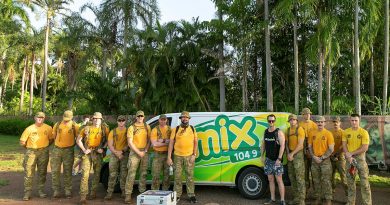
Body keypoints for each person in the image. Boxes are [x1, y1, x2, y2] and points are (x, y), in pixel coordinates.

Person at [77, 112, 109, 204]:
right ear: (92, 119)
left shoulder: (104, 128)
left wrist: (103, 148)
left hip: (98, 154)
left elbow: (107, 140)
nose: (96, 120)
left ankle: (93, 193)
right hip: (88, 153)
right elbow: (78, 140)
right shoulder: (86, 128)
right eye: (94, 118)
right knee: (85, 175)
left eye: (98, 118)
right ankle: (83, 196)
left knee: (97, 174)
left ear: (101, 119)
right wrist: (84, 149)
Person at [20, 112, 53, 200]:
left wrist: (44, 147)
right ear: (35, 118)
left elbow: (51, 139)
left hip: (44, 152)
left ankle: (41, 191)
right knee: (29, 172)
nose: (40, 119)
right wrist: (29, 148)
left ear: (44, 118)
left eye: (42, 117)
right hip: (31, 152)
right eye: (38, 117)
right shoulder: (29, 129)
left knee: (42, 172)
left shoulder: (48, 128)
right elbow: (22, 142)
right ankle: (27, 192)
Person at [167, 111, 198, 203]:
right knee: (177, 177)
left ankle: (191, 195)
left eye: (186, 117)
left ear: (189, 119)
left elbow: (196, 142)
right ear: (181, 119)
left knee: (190, 177)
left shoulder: (192, 129)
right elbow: (171, 144)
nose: (185, 118)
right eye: (183, 117)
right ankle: (177, 195)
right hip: (177, 157)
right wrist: (169, 157)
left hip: (189, 157)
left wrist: (194, 155)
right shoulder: (175, 129)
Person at [342, 114, 372, 205]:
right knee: (350, 183)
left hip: (360, 159)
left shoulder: (363, 132)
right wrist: (348, 155)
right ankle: (351, 202)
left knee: (365, 184)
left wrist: (351, 153)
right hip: (349, 160)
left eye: (356, 120)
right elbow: (344, 145)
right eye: (352, 120)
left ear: (359, 121)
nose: (354, 122)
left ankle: (367, 203)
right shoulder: (346, 132)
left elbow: (365, 148)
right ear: (350, 121)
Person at [51, 110, 80, 198]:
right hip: (57, 150)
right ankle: (56, 190)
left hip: (69, 150)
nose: (66, 120)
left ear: (72, 117)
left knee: (67, 171)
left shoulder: (75, 125)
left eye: (68, 119)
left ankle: (68, 190)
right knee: (55, 171)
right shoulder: (57, 124)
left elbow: (78, 138)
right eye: (65, 118)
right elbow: (54, 136)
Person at [124, 110, 151, 204]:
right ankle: (127, 195)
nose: (140, 117)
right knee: (131, 174)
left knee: (143, 174)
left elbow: (149, 140)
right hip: (134, 152)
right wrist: (139, 152)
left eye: (141, 116)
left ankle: (142, 193)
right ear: (136, 117)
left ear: (144, 117)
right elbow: (129, 143)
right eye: (138, 116)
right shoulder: (131, 127)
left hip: (144, 152)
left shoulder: (147, 127)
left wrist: (145, 150)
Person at [308, 116, 334, 205]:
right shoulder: (312, 133)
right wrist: (313, 156)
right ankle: (318, 198)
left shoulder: (328, 134)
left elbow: (331, 149)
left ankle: (328, 200)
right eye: (318, 122)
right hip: (314, 160)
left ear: (324, 123)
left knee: (326, 181)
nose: (320, 123)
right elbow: (309, 146)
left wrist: (322, 157)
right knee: (316, 181)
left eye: (321, 122)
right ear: (316, 123)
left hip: (325, 161)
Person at [261, 114, 286, 205]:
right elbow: (263, 144)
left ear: (275, 121)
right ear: (267, 121)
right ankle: (272, 199)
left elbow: (283, 146)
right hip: (268, 160)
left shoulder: (278, 132)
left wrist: (279, 159)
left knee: (279, 180)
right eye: (269, 121)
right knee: (271, 180)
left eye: (273, 121)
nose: (271, 122)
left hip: (277, 161)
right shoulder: (265, 132)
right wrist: (262, 156)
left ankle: (282, 200)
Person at [104, 115, 129, 200]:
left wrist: (121, 152)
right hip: (114, 154)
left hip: (124, 154)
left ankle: (124, 192)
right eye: (119, 120)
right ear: (117, 121)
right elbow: (110, 144)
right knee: (112, 175)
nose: (121, 122)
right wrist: (116, 153)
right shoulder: (113, 131)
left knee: (124, 174)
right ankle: (109, 193)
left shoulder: (128, 131)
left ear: (125, 121)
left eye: (122, 120)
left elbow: (129, 144)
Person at [285, 114, 306, 205]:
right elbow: (286, 143)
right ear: (289, 121)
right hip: (290, 154)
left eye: (294, 120)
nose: (292, 121)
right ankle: (296, 198)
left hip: (298, 155)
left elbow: (301, 145)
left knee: (300, 178)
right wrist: (288, 154)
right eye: (290, 120)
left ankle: (301, 200)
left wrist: (292, 154)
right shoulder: (288, 130)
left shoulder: (300, 130)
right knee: (292, 177)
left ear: (296, 121)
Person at [299, 107, 317, 195]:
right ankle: (305, 191)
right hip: (302, 149)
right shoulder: (300, 125)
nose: (308, 115)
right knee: (305, 171)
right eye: (306, 114)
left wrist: (311, 151)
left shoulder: (314, 125)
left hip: (312, 149)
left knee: (314, 172)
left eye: (309, 114)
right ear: (302, 115)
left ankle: (316, 193)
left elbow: (316, 138)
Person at [151, 114, 171, 191]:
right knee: (156, 175)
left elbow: (173, 141)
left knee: (167, 175)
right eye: (161, 119)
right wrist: (167, 142)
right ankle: (154, 191)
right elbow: (154, 144)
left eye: (164, 119)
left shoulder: (170, 129)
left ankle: (165, 191)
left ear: (166, 120)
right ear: (159, 120)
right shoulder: (155, 130)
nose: (163, 121)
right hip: (158, 155)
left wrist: (162, 140)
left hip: (167, 154)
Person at [330, 116, 347, 195]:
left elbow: (344, 146)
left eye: (337, 122)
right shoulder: (330, 133)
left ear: (340, 123)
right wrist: (332, 155)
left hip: (340, 157)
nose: (335, 123)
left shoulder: (343, 132)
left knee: (343, 176)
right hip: (331, 157)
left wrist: (337, 155)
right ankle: (332, 192)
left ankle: (348, 194)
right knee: (331, 176)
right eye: (334, 122)